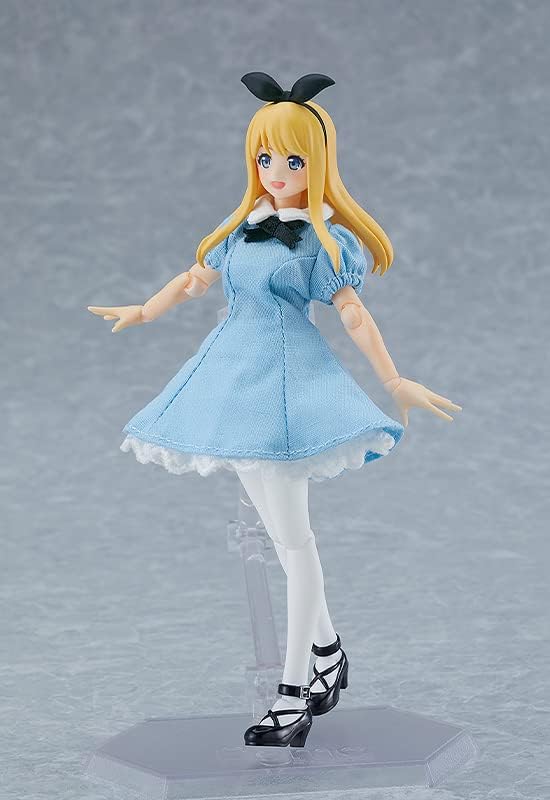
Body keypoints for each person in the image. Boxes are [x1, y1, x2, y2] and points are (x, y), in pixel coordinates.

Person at [88, 72, 461, 748]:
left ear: (317, 164)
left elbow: (352, 313)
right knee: (277, 535)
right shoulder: (245, 227)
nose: (277, 172)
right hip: (234, 379)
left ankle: (293, 695)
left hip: (287, 385)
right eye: (265, 158)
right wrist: (144, 309)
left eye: (292, 160)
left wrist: (394, 379)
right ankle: (328, 653)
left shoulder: (322, 239)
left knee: (294, 540)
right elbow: (197, 279)